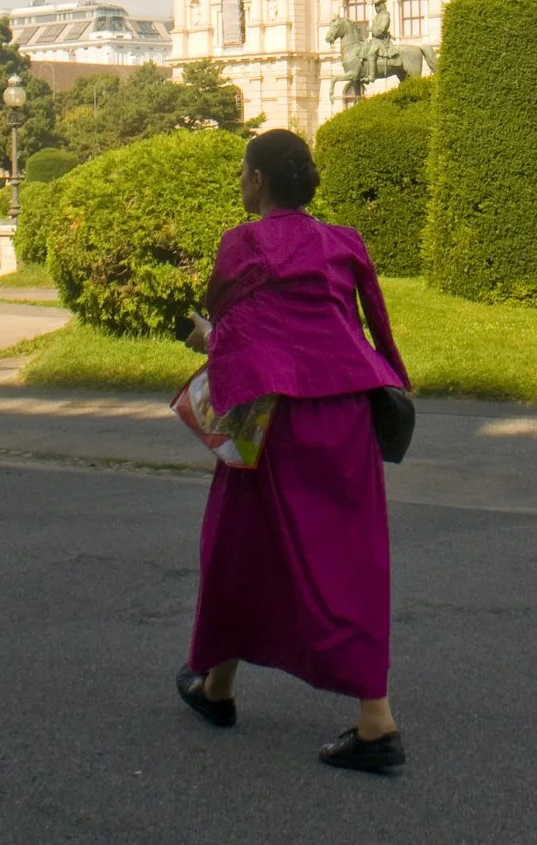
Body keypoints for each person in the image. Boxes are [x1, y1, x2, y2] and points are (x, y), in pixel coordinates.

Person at [177, 129, 411, 774]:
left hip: (272, 415)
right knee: (349, 559)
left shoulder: (243, 243)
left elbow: (237, 332)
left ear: (256, 181)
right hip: (345, 410)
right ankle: (370, 716)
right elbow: (370, 326)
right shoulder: (344, 241)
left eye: (243, 173)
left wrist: (207, 342)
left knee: (237, 547)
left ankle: (219, 686)